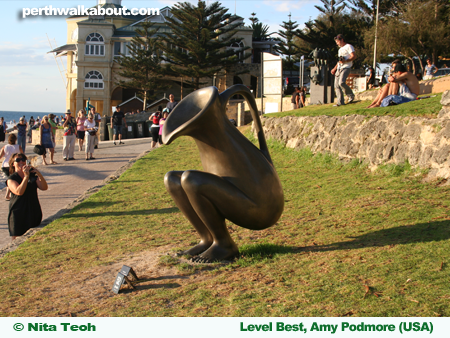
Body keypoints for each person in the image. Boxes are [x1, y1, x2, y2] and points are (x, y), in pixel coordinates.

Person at [6, 153, 48, 240]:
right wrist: (26, 177)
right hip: (18, 213)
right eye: (18, 160)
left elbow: (44, 187)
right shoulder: (12, 179)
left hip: (33, 210)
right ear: (13, 164)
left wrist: (39, 174)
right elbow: (19, 191)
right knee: (17, 238)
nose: (21, 161)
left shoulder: (32, 175)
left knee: (34, 238)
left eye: (23, 159)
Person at [331, 34, 356, 106]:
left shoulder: (348, 46)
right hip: (339, 68)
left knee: (341, 82)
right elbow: (339, 61)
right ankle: (340, 102)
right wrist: (334, 68)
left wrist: (346, 60)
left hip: (346, 67)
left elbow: (354, 56)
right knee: (336, 85)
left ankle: (350, 95)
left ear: (342, 40)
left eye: (338, 41)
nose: (337, 43)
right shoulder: (339, 50)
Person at [0, 134, 23, 201]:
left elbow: (0, 156)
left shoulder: (5, 147)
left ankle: (9, 194)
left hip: (5, 165)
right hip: (13, 165)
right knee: (12, 179)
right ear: (15, 139)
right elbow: (22, 155)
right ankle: (8, 194)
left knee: (9, 179)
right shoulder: (18, 147)